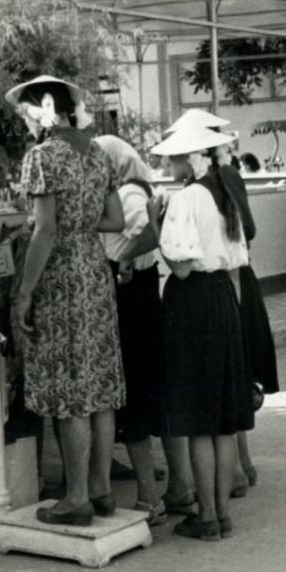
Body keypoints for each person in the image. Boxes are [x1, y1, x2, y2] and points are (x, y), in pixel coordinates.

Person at [6, 75, 126, 526]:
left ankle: (74, 496)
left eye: (25, 115)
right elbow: (115, 220)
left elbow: (45, 229)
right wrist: (82, 223)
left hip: (59, 277)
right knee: (99, 385)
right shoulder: (97, 152)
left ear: (40, 111)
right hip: (95, 271)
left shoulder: (42, 156)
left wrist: (23, 293)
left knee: (70, 387)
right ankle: (100, 489)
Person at [151, 123, 254, 541]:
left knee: (197, 418)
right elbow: (236, 259)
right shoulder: (224, 193)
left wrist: (156, 226)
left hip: (191, 302)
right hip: (222, 299)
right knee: (224, 419)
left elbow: (179, 266)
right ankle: (222, 513)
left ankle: (206, 515)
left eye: (174, 158)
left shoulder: (186, 198)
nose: (168, 165)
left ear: (191, 159)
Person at [93, 135, 168, 525]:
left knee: (133, 395)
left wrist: (123, 257)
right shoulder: (136, 190)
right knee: (148, 393)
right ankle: (174, 488)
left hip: (130, 302)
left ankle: (148, 498)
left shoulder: (126, 195)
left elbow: (154, 232)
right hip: (141, 298)